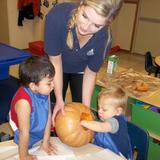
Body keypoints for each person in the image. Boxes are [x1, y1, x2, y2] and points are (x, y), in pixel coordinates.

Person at [44, 0, 123, 124]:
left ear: (107, 24)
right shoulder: (57, 17)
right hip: (56, 65)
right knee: (53, 108)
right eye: (85, 16)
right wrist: (59, 99)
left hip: (81, 70)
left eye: (96, 25)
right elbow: (55, 61)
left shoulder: (104, 38)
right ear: (81, 5)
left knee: (81, 111)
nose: (85, 27)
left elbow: (90, 73)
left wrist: (86, 109)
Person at [9, 56, 56, 160]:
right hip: (25, 132)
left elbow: (48, 115)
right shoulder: (23, 102)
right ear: (33, 86)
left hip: (36, 126)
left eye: (52, 81)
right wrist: (24, 155)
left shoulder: (44, 89)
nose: (53, 85)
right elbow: (23, 132)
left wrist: (46, 141)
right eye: (49, 83)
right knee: (26, 140)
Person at [81, 86, 132, 159]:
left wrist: (82, 122)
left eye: (104, 109)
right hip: (104, 154)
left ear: (118, 111)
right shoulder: (106, 118)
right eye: (99, 107)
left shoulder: (115, 122)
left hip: (116, 156)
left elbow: (101, 127)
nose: (99, 111)